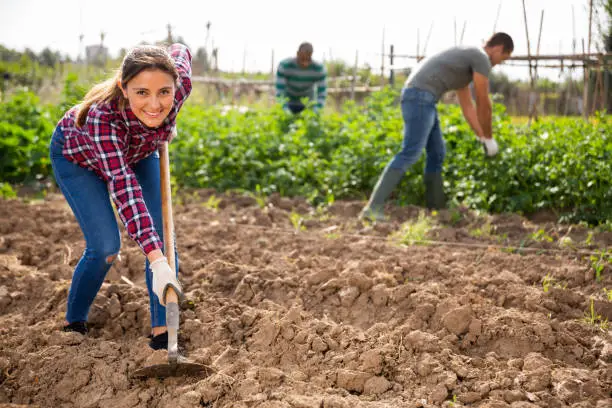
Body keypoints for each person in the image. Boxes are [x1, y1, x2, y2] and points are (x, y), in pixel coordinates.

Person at [49, 43, 192, 350]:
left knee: (165, 241)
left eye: (164, 92)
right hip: (78, 159)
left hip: (139, 151)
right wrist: (157, 263)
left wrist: (161, 255)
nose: (155, 104)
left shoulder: (180, 87)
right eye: (142, 92)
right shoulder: (101, 118)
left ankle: (162, 334)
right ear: (123, 88)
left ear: (175, 87)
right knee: (105, 247)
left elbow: (180, 50)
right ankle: (74, 321)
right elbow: (126, 191)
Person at [360, 32, 514, 221]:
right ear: (498, 49)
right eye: (502, 58)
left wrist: (481, 136)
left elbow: (467, 106)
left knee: (437, 152)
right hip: (420, 96)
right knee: (411, 152)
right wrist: (490, 137)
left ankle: (436, 209)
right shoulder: (481, 57)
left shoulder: (465, 61)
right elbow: (483, 101)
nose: (499, 63)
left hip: (422, 97)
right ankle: (373, 207)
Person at [275, 42, 327, 114]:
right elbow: (280, 91)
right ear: (297, 53)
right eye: (302, 59)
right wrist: (284, 109)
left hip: (308, 104)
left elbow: (322, 92)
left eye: (308, 59)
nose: (305, 63)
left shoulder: (318, 69)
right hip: (289, 102)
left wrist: (316, 110)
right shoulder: (285, 66)